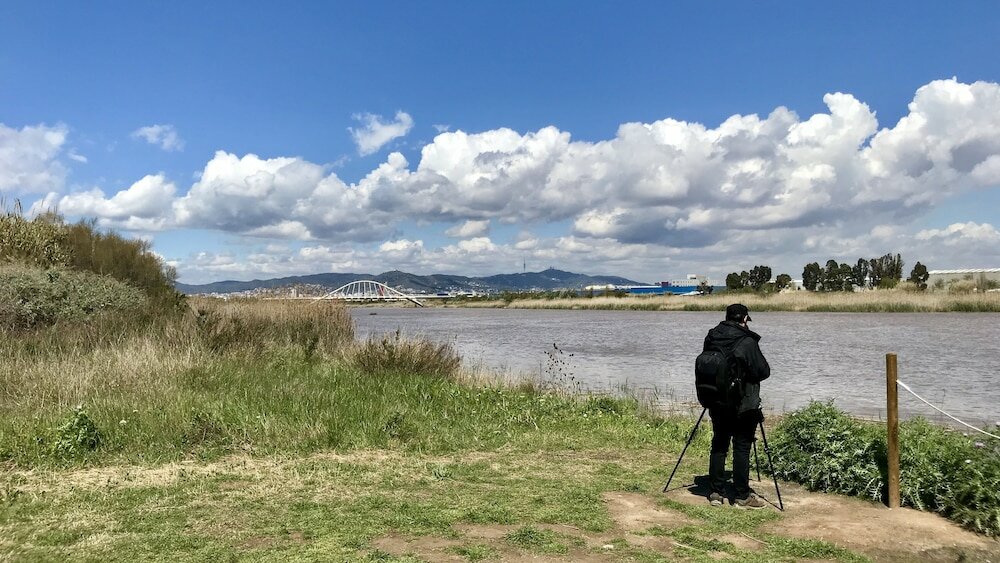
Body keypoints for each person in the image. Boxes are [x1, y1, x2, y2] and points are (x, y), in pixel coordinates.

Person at [704, 303, 770, 509]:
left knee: (719, 444)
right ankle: (742, 497)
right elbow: (763, 371)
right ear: (744, 319)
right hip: (743, 403)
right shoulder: (747, 341)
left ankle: (716, 492)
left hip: (716, 400)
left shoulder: (712, 336)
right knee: (742, 447)